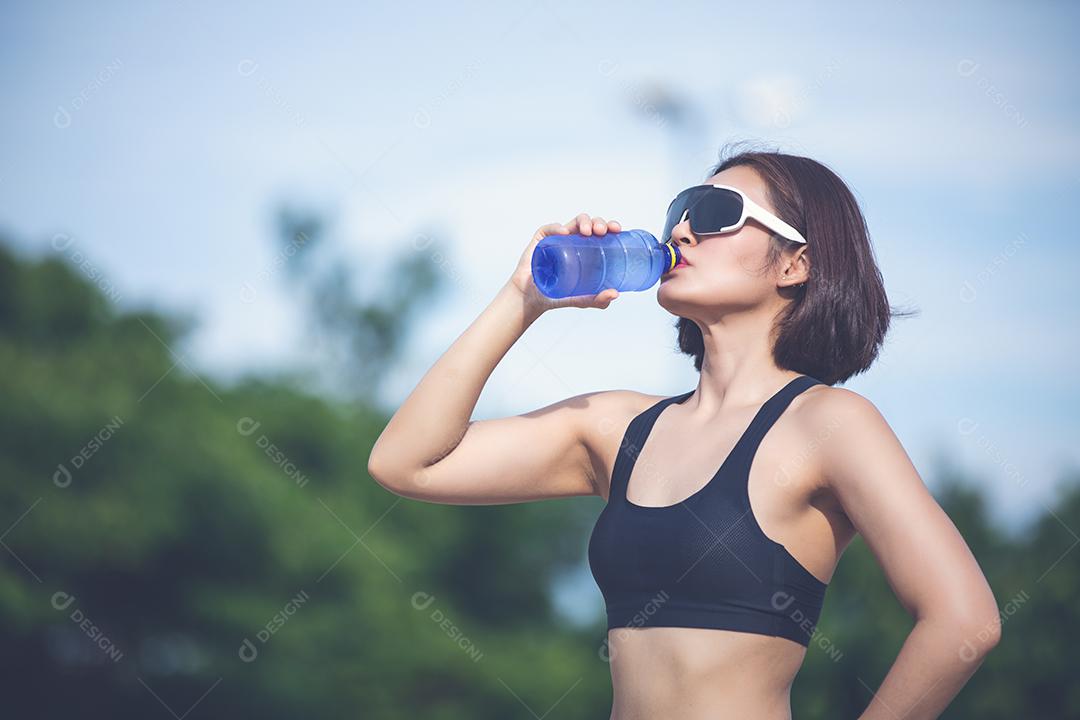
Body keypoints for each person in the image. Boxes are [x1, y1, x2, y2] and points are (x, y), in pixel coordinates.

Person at [367, 145, 1001, 719]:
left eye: (718, 212)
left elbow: (963, 619)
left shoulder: (830, 424)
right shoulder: (617, 428)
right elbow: (406, 464)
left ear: (795, 264)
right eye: (681, 209)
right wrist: (523, 297)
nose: (681, 230)